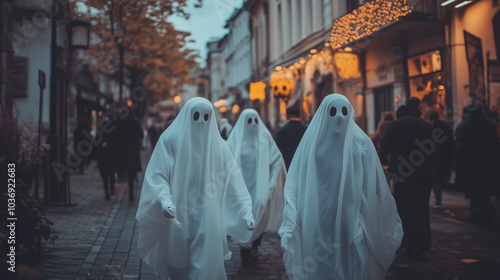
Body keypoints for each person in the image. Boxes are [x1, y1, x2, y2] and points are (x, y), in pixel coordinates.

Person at [279, 94, 402, 279]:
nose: (339, 116)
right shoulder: (312, 146)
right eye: (333, 111)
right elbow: (296, 180)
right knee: (321, 257)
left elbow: (374, 180)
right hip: (318, 215)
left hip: (351, 212)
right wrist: (292, 213)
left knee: (354, 251)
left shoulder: (361, 143)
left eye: (344, 111)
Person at [136, 97, 255, 280]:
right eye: (196, 115)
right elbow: (158, 175)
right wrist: (164, 199)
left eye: (206, 116)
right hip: (179, 216)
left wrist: (245, 210)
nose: (201, 121)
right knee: (179, 265)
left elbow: (234, 181)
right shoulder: (170, 142)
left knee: (204, 267)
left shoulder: (220, 147)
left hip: (209, 218)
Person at [226, 109, 286, 267]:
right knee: (243, 217)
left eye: (255, 120)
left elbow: (277, 159)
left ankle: (254, 245)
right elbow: (225, 161)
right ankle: (245, 247)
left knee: (259, 214)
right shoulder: (236, 140)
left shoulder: (264, 138)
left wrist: (272, 183)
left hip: (260, 188)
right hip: (242, 189)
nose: (252, 124)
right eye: (249, 121)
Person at [380, 97, 435, 259]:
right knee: (422, 209)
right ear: (417, 108)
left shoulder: (395, 125)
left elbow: (384, 148)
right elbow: (434, 150)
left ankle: (406, 243)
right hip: (423, 174)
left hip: (401, 173)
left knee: (404, 209)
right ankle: (422, 243)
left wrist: (386, 163)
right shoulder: (425, 126)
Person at [455, 104, 500, 224]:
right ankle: (485, 212)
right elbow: (495, 145)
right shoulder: (489, 125)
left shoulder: (463, 126)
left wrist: (457, 163)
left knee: (474, 191)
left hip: (469, 166)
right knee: (483, 190)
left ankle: (480, 212)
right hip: (488, 165)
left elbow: (460, 148)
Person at [424, 109, 454, 208]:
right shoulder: (445, 126)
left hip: (432, 157)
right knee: (439, 179)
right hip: (444, 157)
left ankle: (437, 200)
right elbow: (451, 142)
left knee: (434, 180)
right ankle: (438, 200)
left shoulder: (427, 127)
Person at [116, 109, 143, 201]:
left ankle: (131, 190)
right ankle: (131, 191)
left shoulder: (121, 123)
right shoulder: (134, 123)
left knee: (128, 171)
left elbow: (118, 136)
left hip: (124, 150)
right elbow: (140, 135)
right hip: (133, 150)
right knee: (132, 172)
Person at [94, 115, 119, 200]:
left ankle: (107, 192)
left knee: (105, 175)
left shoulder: (100, 131)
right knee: (110, 174)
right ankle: (111, 189)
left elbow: (95, 143)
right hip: (110, 156)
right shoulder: (112, 131)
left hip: (104, 156)